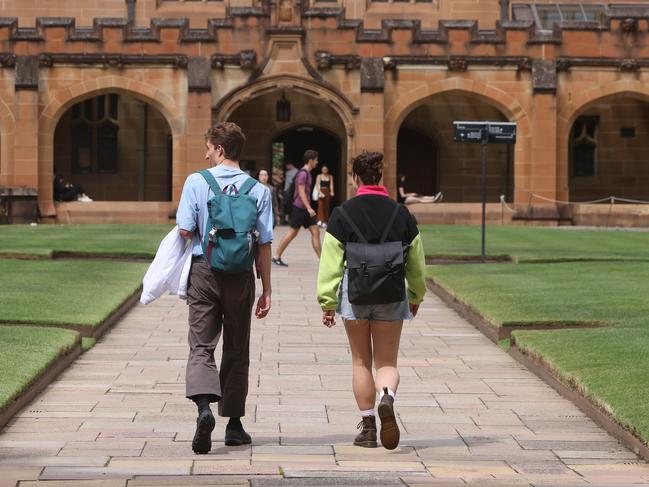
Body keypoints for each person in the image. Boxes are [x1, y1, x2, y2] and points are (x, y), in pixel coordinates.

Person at [317, 151, 426, 450]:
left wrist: (327, 301)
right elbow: (416, 260)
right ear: (380, 178)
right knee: (387, 362)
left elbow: (330, 262)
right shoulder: (400, 213)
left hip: (355, 294)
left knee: (361, 361)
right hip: (391, 293)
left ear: (355, 178)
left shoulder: (342, 213)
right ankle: (387, 394)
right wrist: (416, 294)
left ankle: (367, 429)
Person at [176, 122, 273, 454]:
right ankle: (234, 426)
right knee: (236, 346)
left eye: (208, 147)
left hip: (205, 270)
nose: (205, 153)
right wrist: (267, 289)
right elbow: (264, 244)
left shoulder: (196, 182)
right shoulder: (259, 190)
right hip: (241, 274)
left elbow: (186, 230)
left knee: (201, 345)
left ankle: (204, 409)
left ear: (219, 149)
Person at [272, 150, 321, 266]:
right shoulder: (303, 174)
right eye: (316, 160)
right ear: (311, 161)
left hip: (305, 209)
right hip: (300, 208)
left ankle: (322, 259)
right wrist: (309, 208)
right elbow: (301, 192)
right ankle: (276, 256)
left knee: (315, 231)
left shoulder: (307, 173)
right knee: (293, 232)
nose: (317, 162)